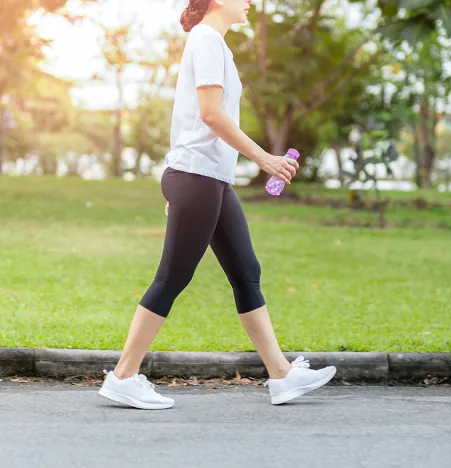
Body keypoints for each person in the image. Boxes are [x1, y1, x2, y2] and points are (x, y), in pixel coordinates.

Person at [98, 0, 336, 409]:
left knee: (247, 272)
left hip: (210, 180)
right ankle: (123, 376)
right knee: (172, 278)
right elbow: (210, 114)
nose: (248, 2)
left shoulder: (215, 44)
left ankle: (281, 376)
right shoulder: (206, 40)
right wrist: (264, 159)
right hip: (198, 177)